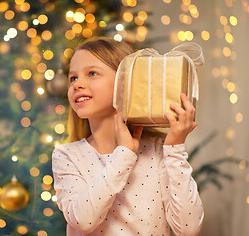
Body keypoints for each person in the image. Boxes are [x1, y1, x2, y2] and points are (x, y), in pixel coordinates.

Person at [52, 37, 204, 236]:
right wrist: (124, 154)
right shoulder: (67, 155)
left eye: (92, 73)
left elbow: (188, 228)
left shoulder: (159, 150)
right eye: (73, 78)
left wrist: (175, 149)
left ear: (126, 82)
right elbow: (83, 220)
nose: (77, 84)